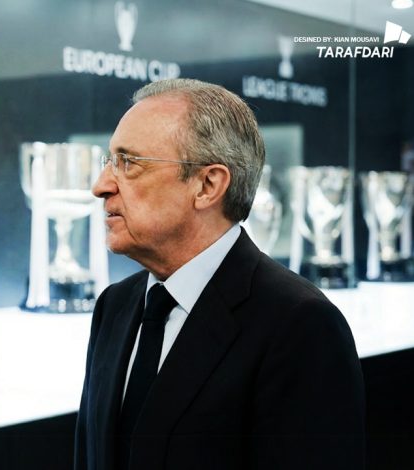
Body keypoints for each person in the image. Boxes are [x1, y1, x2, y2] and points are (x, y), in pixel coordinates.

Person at [74, 78, 365, 470]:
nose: (101, 186)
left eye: (129, 163)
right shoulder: (115, 305)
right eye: (109, 162)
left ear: (208, 185)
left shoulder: (300, 325)